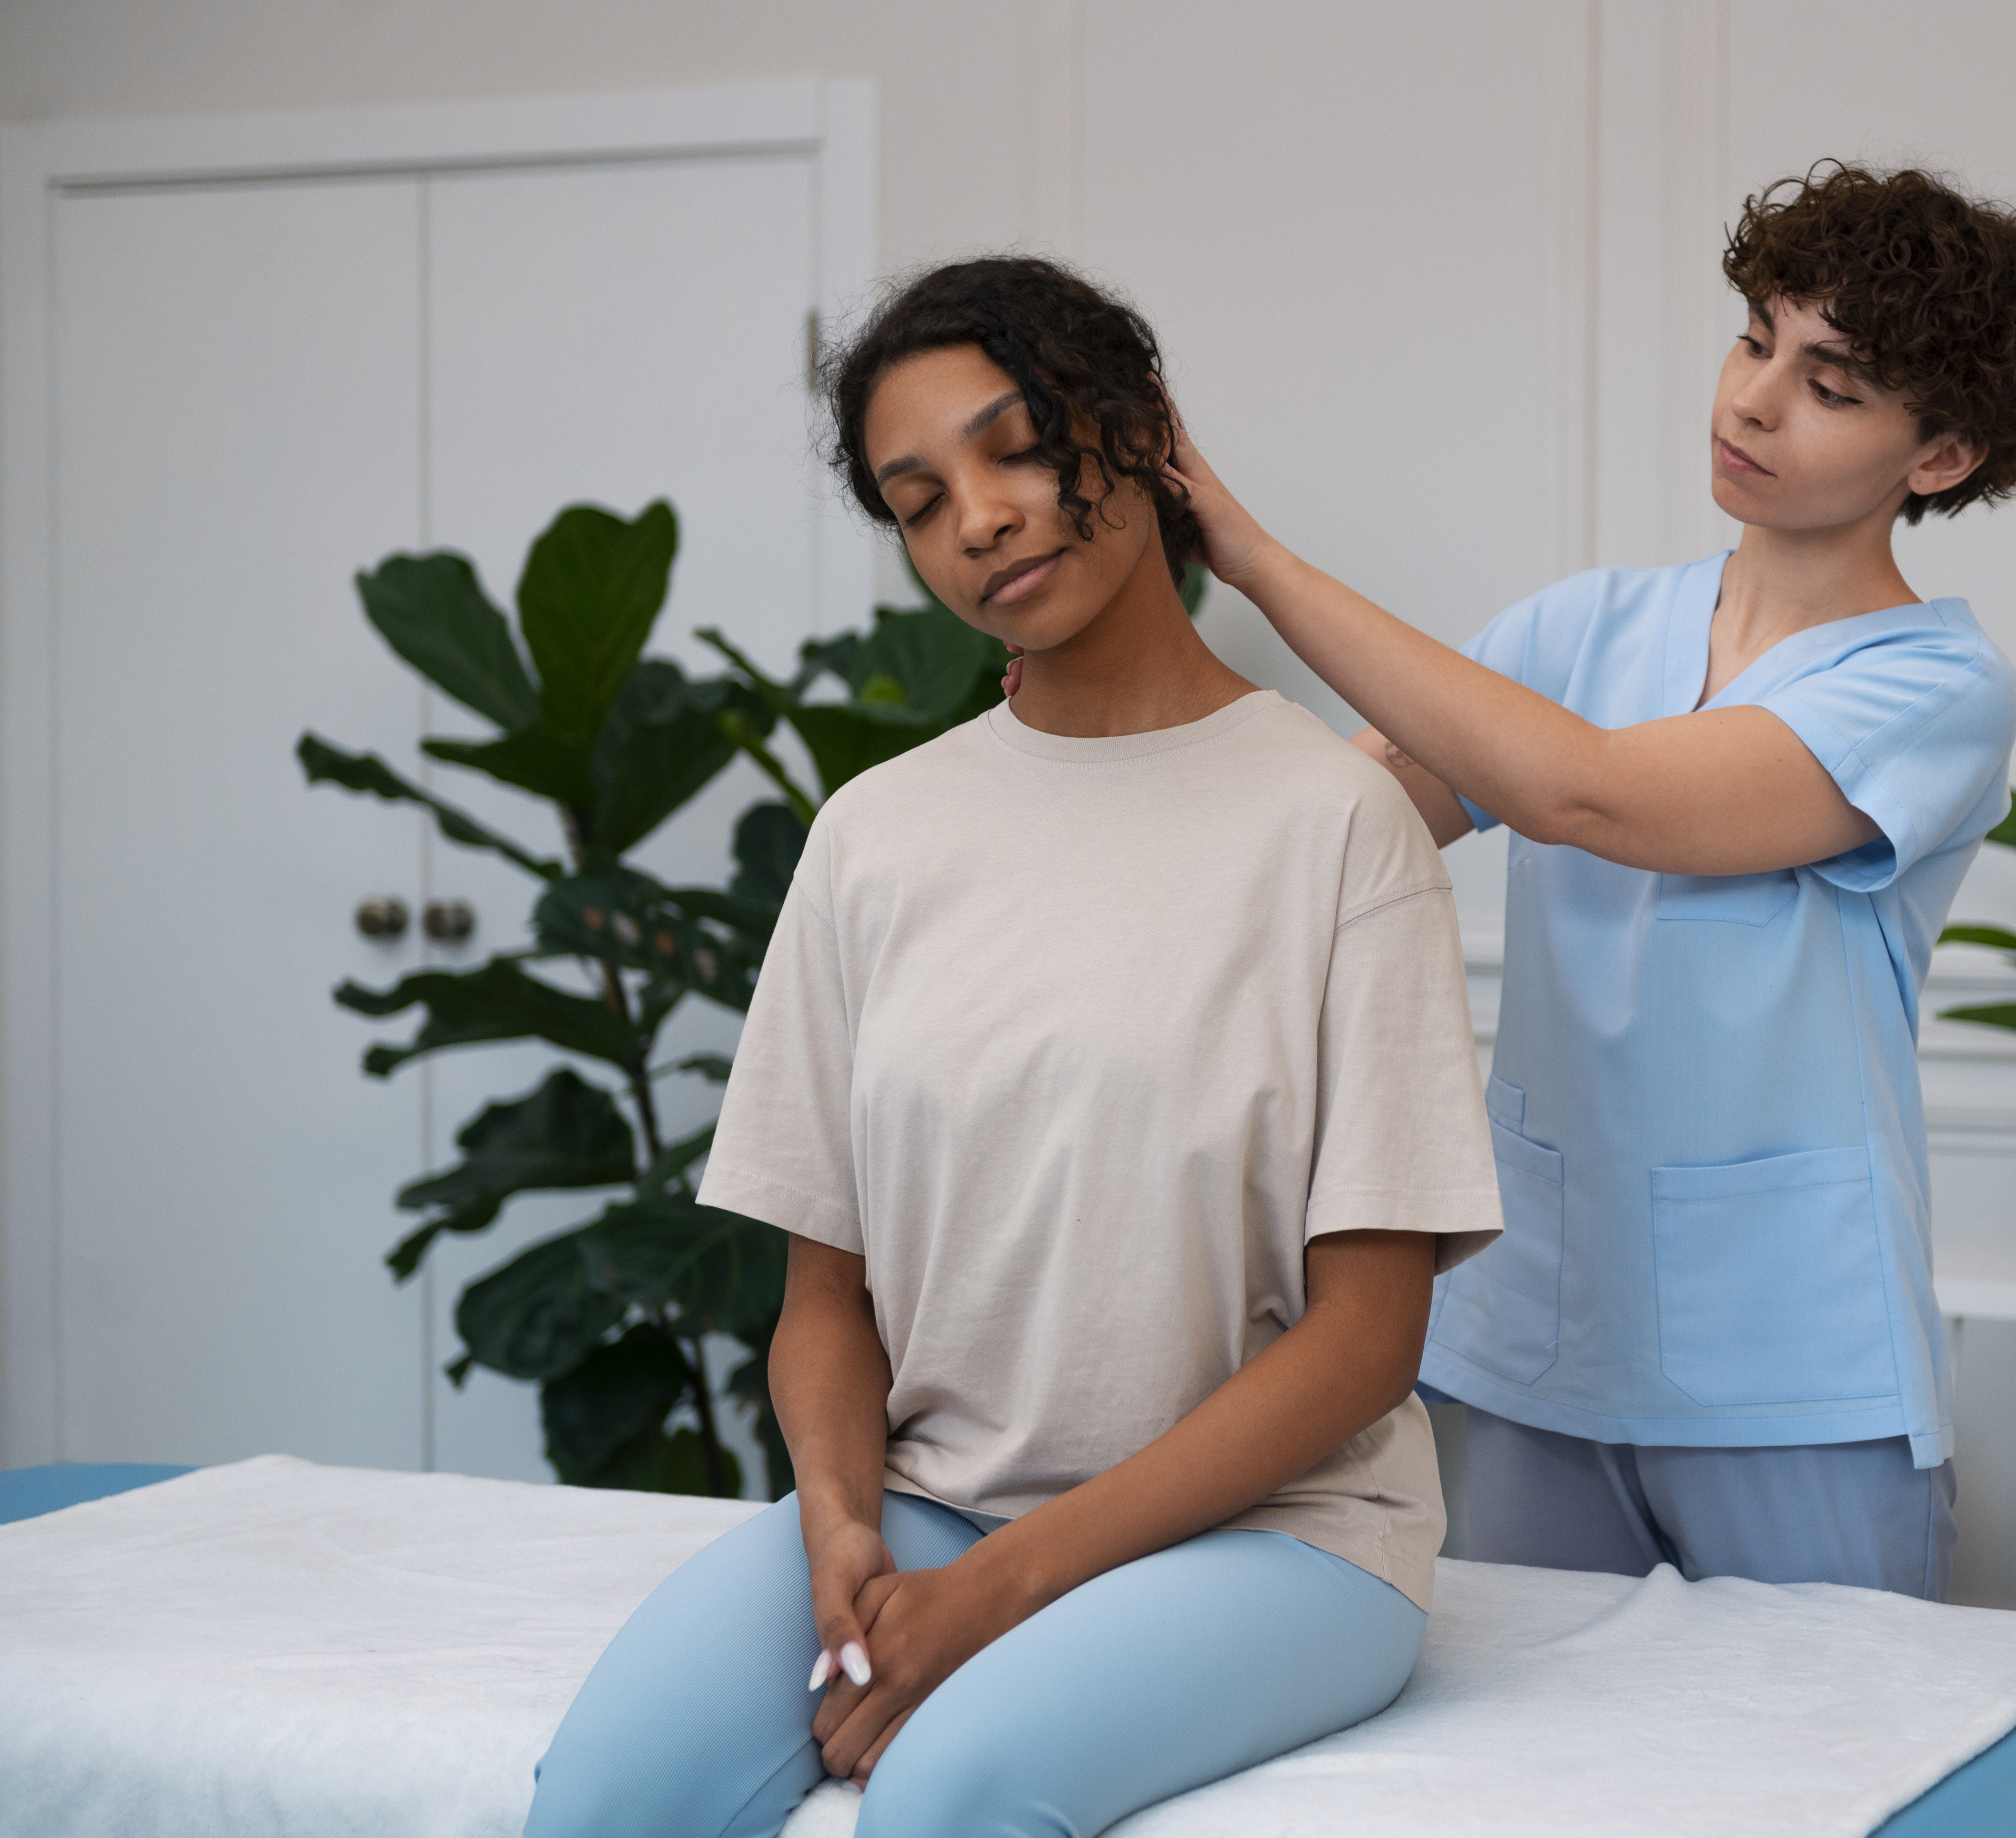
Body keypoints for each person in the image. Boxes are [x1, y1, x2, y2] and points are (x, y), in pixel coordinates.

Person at [521, 256, 1501, 1838]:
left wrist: (993, 1595)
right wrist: (843, 1524)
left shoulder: (1333, 827)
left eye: (1014, 447)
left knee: (948, 1803)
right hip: (923, 1504)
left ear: (1136, 432)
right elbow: (823, 1295)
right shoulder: (876, 837)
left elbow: (1366, 1341)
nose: (975, 518)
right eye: (917, 498)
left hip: (1279, 1538)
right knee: (602, 1807)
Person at [1165, 163, 2016, 1598]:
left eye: (1832, 384)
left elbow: (1586, 792)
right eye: (1755, 340)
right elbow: (1334, 830)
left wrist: (1245, 554)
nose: (1751, 401)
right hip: (1542, 1340)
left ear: (1941, 457)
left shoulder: (1937, 686)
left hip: (1797, 1369)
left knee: (1821, 1792)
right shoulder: (1576, 629)